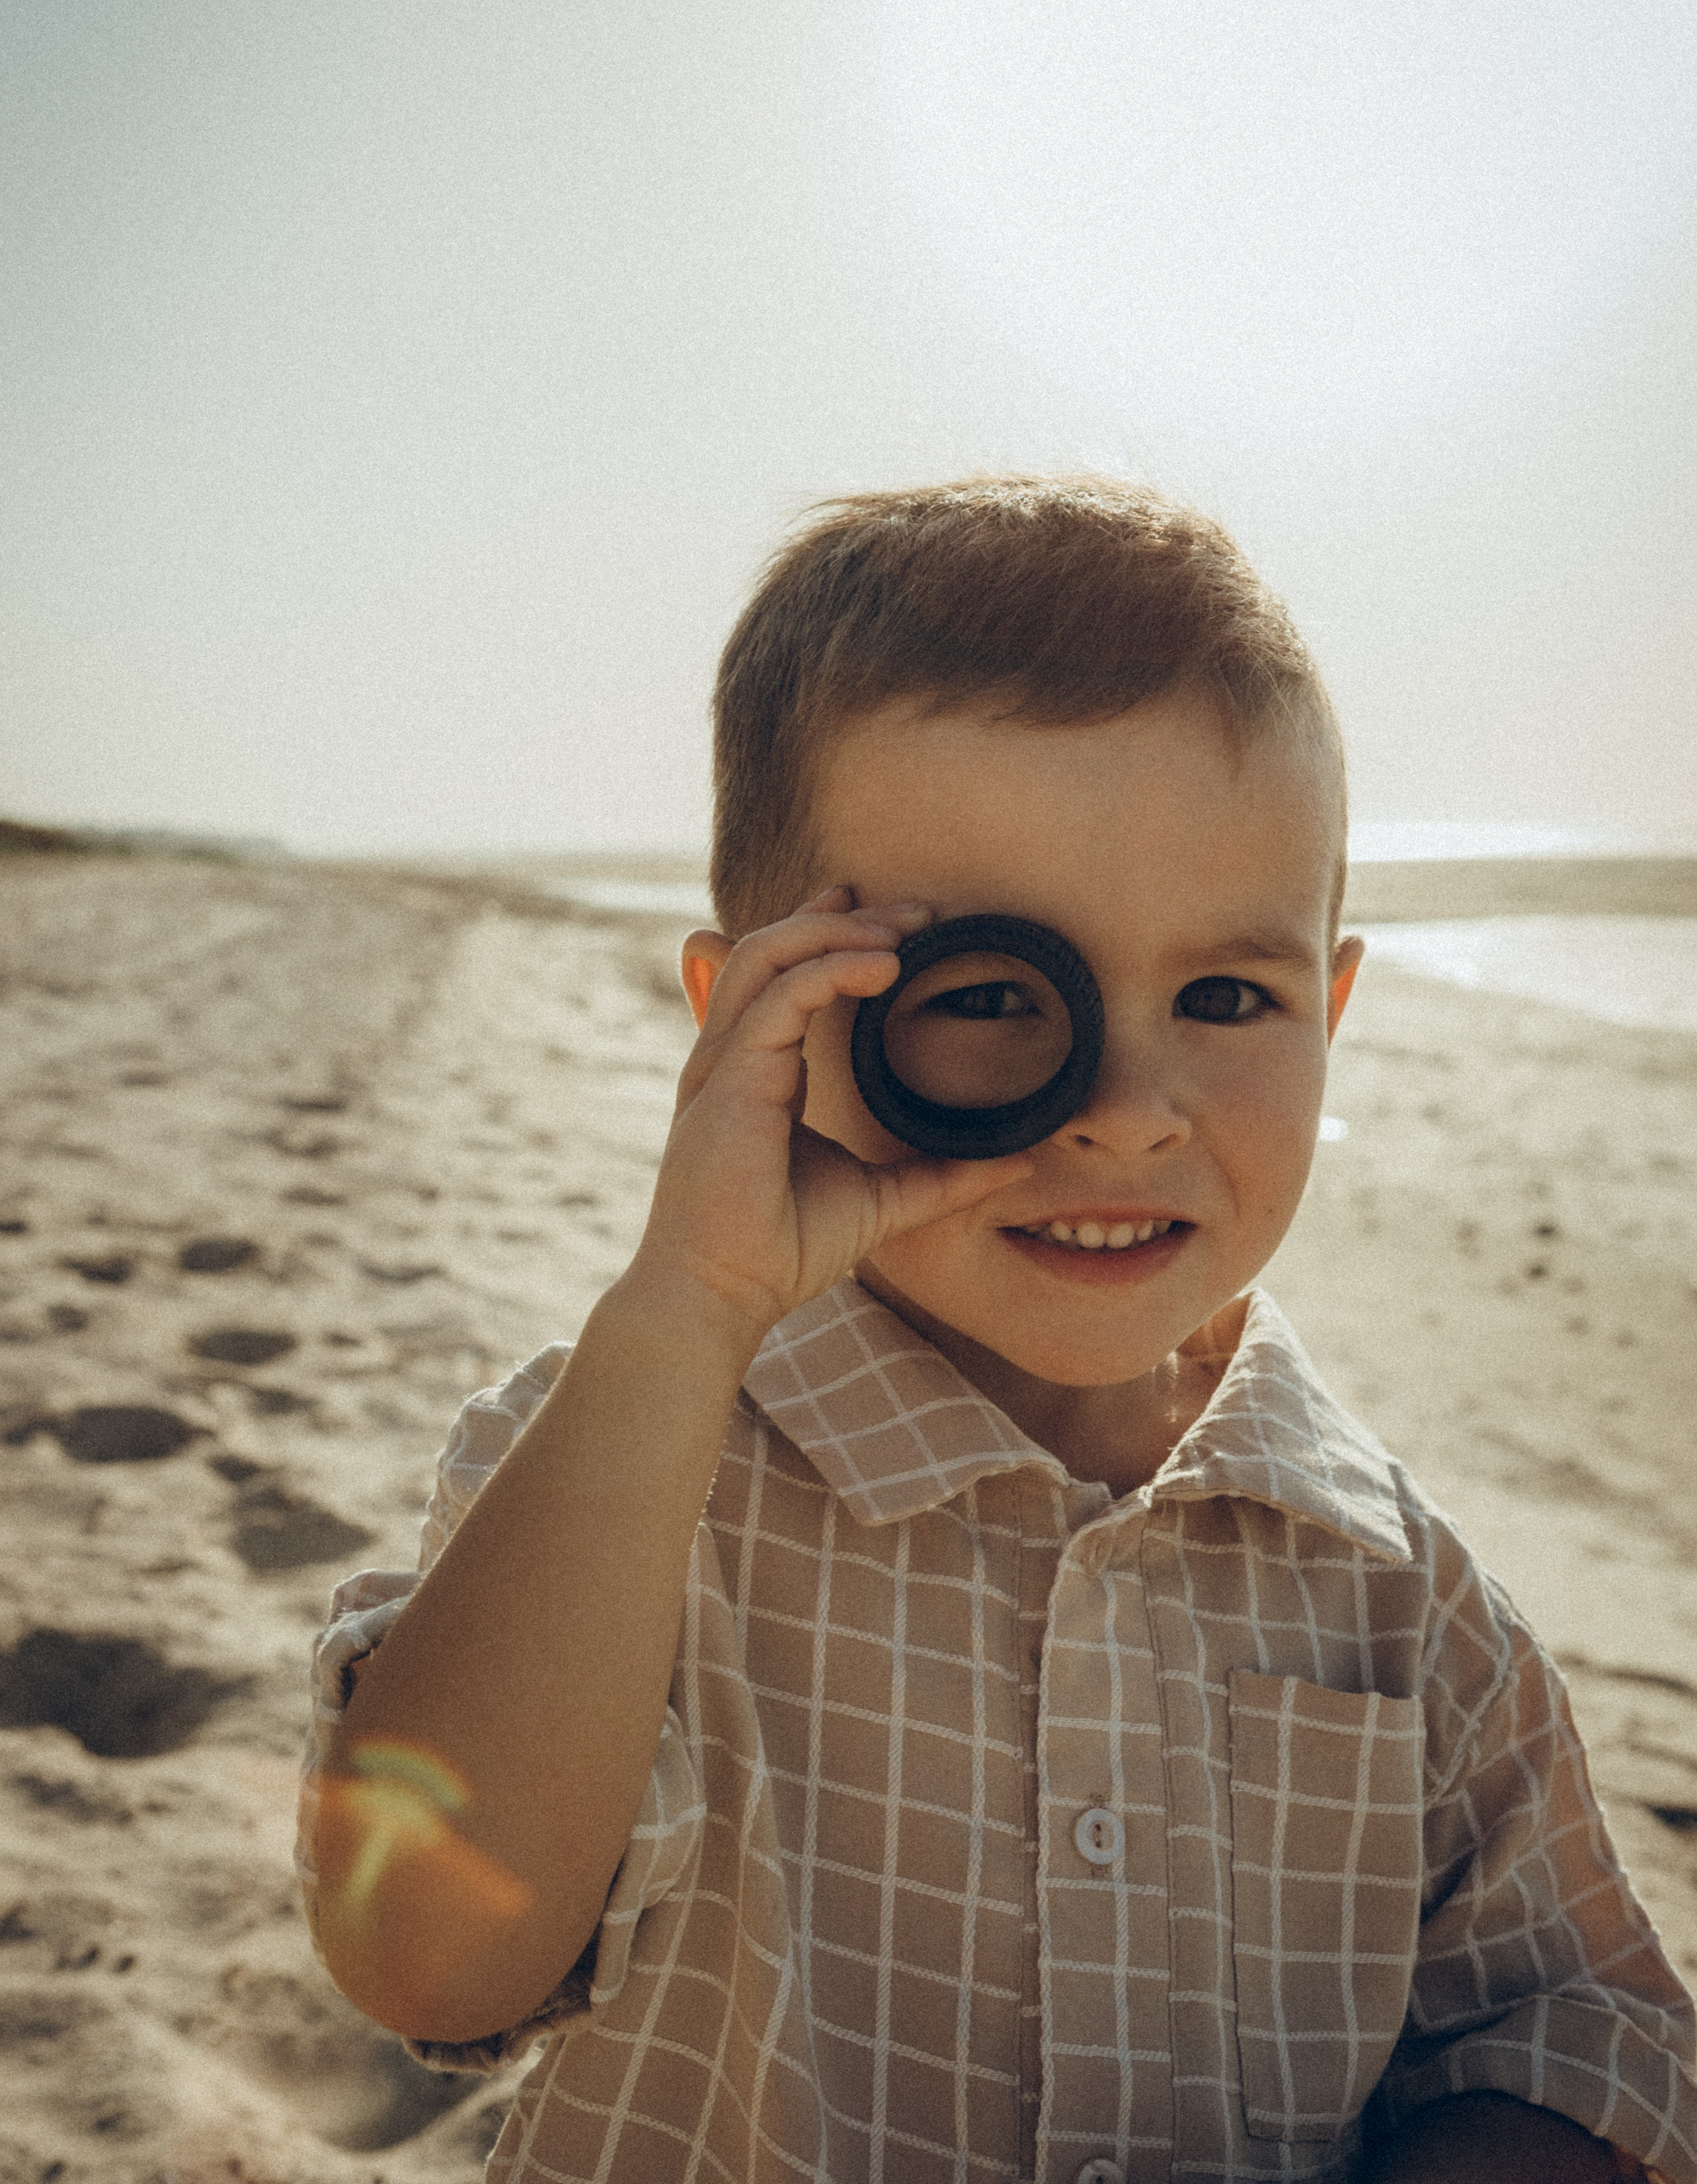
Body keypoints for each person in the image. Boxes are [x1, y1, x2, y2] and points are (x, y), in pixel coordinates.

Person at [298, 479, 1696, 2183]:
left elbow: (1577, 2026)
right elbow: (423, 1958)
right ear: (755, 1018)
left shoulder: (1396, 1599)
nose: (1120, 1109)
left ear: (1329, 1011)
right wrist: (685, 1310)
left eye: (1222, 997)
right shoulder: (629, 1482)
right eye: (986, 997)